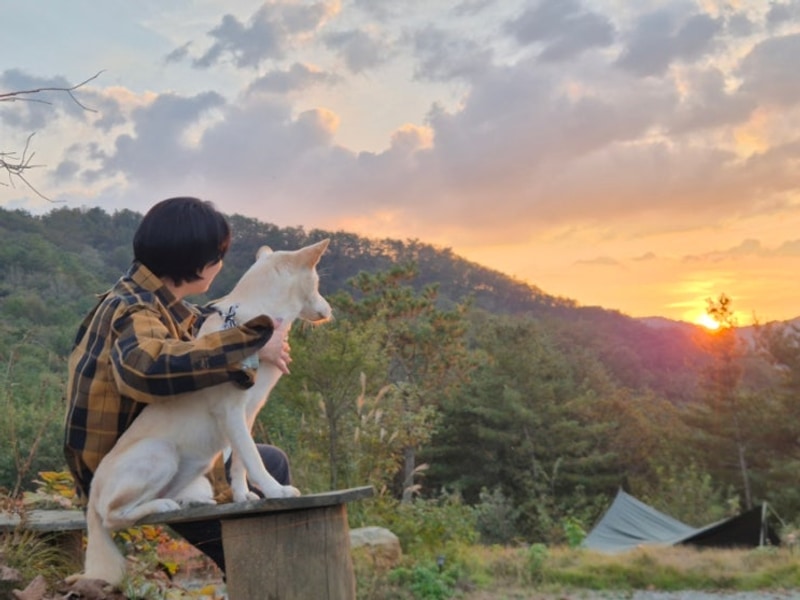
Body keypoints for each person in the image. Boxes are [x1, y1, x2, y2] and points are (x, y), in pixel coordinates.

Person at [63, 196, 291, 573]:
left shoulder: (148, 299)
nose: (221, 265)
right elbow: (148, 368)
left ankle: (261, 572)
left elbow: (199, 334)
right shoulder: (134, 310)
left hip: (150, 454)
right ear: (200, 266)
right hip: (129, 470)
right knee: (260, 544)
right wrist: (251, 343)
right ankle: (261, 574)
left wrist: (254, 341)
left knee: (268, 464)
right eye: (218, 258)